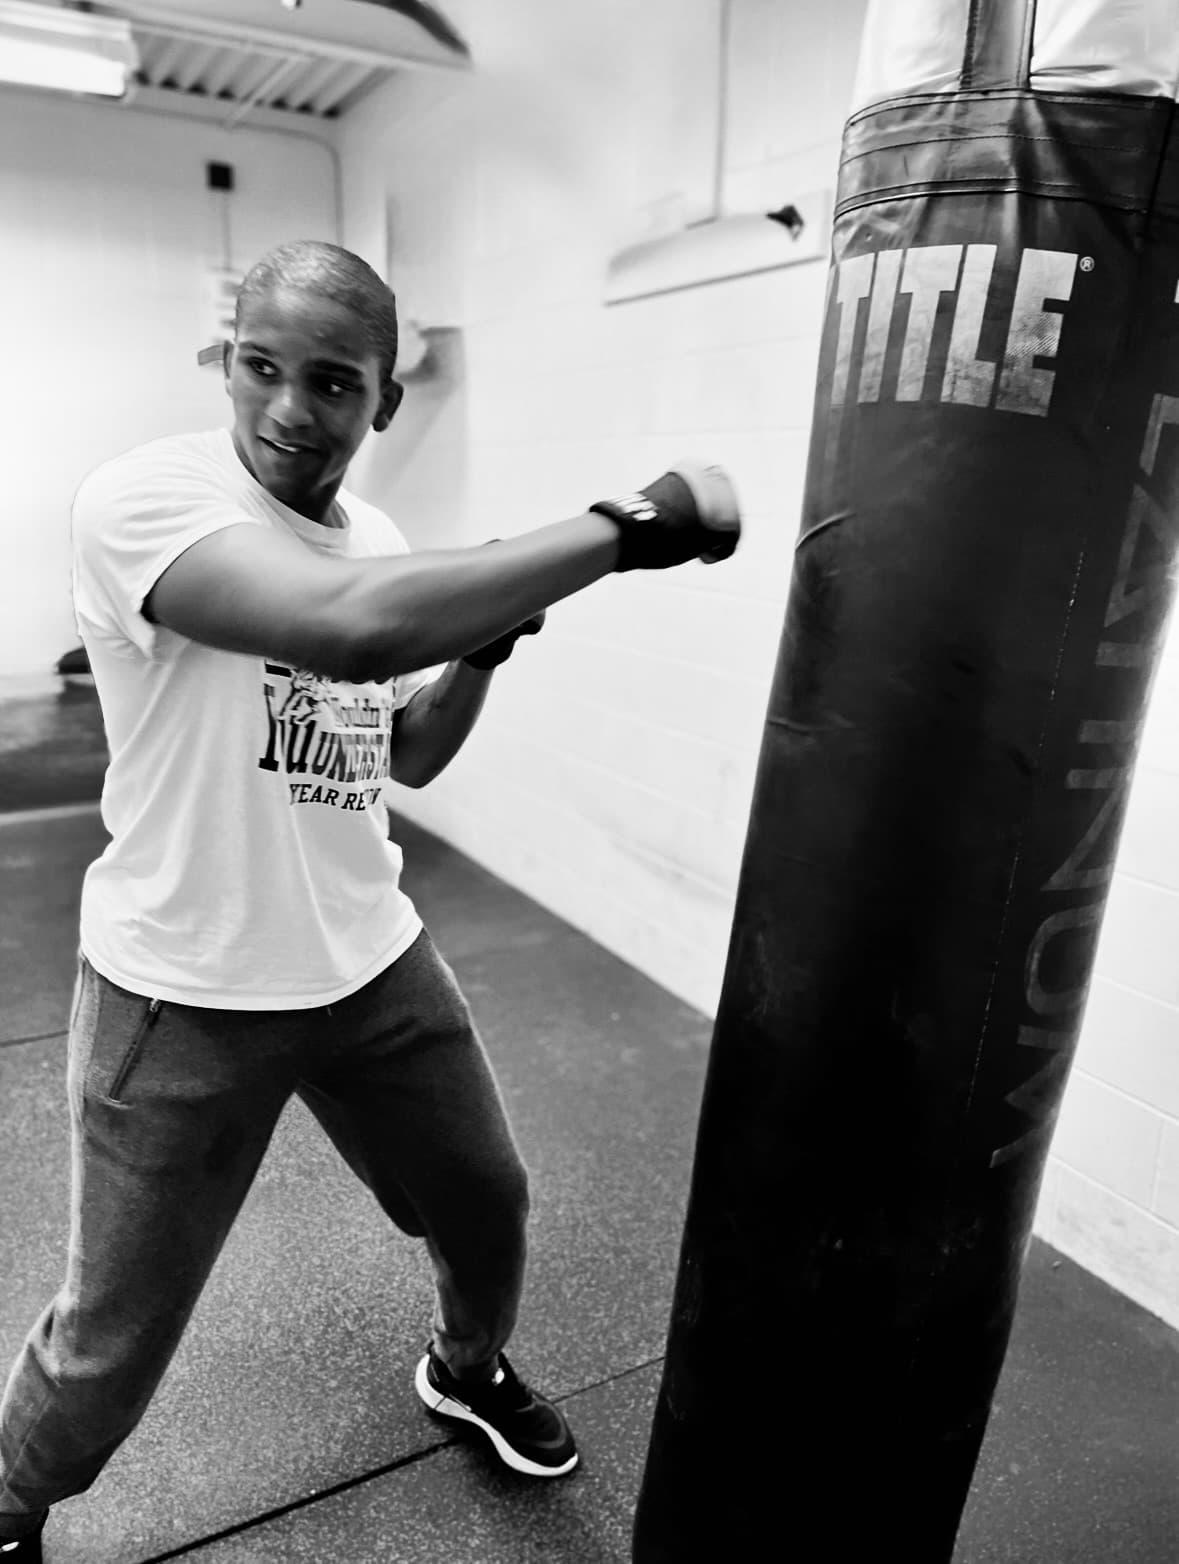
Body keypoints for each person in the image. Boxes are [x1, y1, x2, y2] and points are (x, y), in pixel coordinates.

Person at [0, 239, 739, 1561]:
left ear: (383, 401)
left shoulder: (378, 542)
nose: (291, 408)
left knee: (484, 1201)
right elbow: (347, 627)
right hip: (186, 989)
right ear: (226, 364)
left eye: (334, 383)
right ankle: (9, 1498)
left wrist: (485, 656)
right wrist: (620, 530)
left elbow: (402, 749)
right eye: (261, 369)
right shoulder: (147, 499)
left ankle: (463, 1366)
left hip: (370, 964)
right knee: (110, 1341)